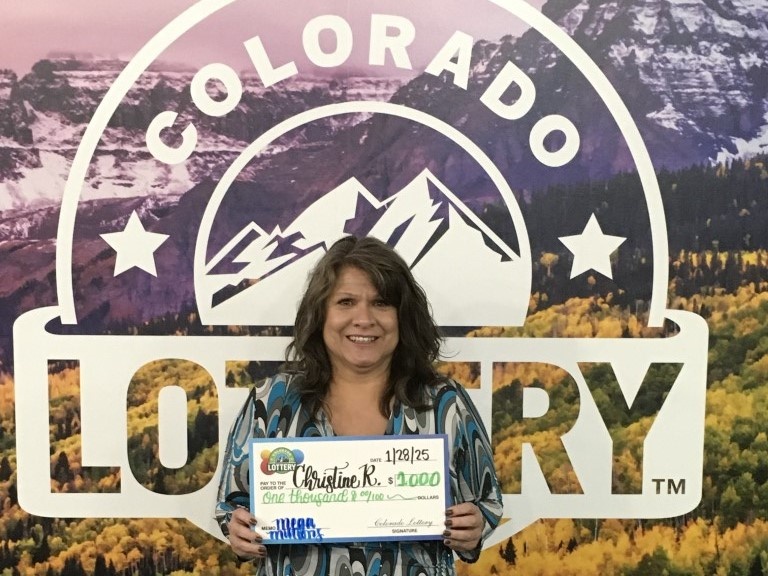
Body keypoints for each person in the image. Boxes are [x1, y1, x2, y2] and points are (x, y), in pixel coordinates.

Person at [215, 235, 503, 575]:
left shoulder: (443, 402)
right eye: (346, 302)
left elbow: (487, 502)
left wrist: (473, 528)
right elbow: (231, 505)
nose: (364, 319)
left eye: (381, 303)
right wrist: (238, 530)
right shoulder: (271, 402)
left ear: (403, 316)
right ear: (320, 314)